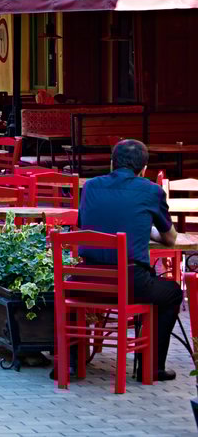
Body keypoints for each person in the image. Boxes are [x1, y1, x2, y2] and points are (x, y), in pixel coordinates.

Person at [77, 140, 181, 383]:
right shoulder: (151, 190)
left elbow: (84, 225)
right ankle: (152, 367)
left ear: (112, 163)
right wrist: (148, 230)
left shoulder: (90, 186)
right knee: (172, 293)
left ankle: (72, 363)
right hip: (130, 283)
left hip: (85, 280)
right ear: (144, 168)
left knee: (67, 290)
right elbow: (171, 238)